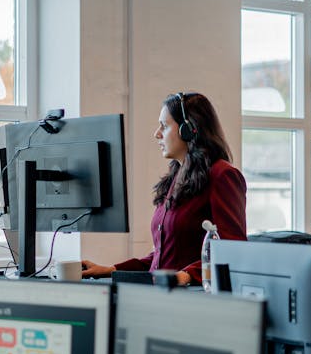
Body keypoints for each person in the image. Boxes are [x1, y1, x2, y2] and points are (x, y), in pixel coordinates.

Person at [82, 91, 247, 286]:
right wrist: (111, 269)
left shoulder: (222, 175)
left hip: (191, 298)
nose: (157, 134)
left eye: (164, 126)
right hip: (160, 292)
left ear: (189, 129)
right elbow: (162, 258)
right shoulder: (176, 178)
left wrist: (185, 276)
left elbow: (233, 247)